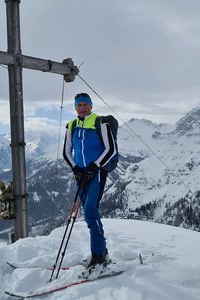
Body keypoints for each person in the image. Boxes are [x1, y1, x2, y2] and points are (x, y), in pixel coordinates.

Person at [62, 92, 118, 270]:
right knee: (89, 214)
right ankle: (102, 251)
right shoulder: (71, 126)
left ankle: (98, 256)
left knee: (90, 211)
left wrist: (95, 166)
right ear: (75, 107)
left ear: (91, 105)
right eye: (79, 104)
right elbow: (66, 152)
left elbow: (111, 150)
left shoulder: (100, 123)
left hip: (97, 173)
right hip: (80, 175)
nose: (82, 107)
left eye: (85, 104)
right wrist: (76, 169)